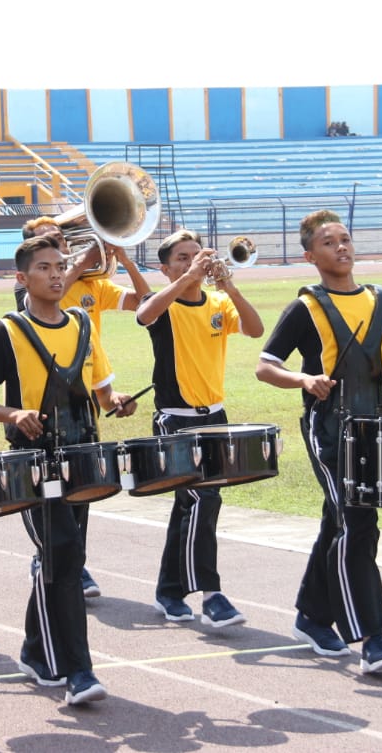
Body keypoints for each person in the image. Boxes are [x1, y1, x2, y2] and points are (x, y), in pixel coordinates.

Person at [254, 209, 382, 674]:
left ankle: (312, 615)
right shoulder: (306, 307)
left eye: (345, 238)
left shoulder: (381, 300)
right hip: (328, 429)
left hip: (377, 430)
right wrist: (305, 381)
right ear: (310, 255)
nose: (341, 246)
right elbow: (266, 366)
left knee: (341, 521)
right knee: (359, 524)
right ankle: (372, 638)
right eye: (328, 242)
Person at [0, 235, 135, 705]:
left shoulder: (83, 323)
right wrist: (13, 414)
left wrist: (117, 402)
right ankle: (77, 670)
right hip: (33, 462)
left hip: (83, 458)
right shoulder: (9, 331)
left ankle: (34, 648)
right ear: (22, 278)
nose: (57, 273)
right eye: (44, 267)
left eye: (61, 266)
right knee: (62, 553)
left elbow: (102, 394)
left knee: (63, 557)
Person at [17, 214, 152, 598]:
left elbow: (143, 303)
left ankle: (75, 563)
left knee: (82, 490)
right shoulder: (30, 294)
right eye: (49, 244)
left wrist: (124, 260)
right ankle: (52, 557)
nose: (61, 247)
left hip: (86, 395)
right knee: (50, 492)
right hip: (44, 407)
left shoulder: (93, 284)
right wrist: (86, 256)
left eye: (62, 240)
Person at [136, 229, 264, 628]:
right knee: (202, 500)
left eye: (196, 254)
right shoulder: (164, 303)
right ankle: (211, 594)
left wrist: (229, 285)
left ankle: (169, 591)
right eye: (182, 257)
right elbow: (145, 315)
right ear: (165, 267)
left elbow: (256, 329)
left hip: (215, 418)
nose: (194, 261)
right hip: (175, 417)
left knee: (192, 505)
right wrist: (187, 278)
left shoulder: (218, 303)